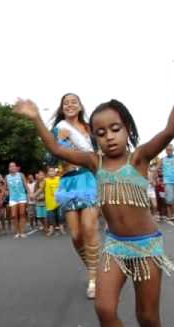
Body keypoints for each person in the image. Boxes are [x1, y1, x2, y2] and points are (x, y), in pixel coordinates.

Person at [14, 59, 174, 327]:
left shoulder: (140, 158)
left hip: (146, 249)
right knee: (104, 308)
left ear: (126, 129)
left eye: (115, 129)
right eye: (101, 132)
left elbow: (171, 129)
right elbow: (55, 149)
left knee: (148, 317)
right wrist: (36, 117)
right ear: (94, 137)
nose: (109, 136)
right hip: (115, 247)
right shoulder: (94, 162)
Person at [51, 93, 100, 299]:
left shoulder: (90, 129)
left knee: (89, 228)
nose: (70, 105)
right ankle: (92, 266)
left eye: (74, 102)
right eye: (66, 103)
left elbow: (99, 153)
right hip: (68, 182)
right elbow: (50, 158)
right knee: (76, 235)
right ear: (62, 109)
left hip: (88, 179)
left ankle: (94, 278)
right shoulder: (59, 128)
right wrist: (59, 142)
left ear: (80, 106)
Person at [5, 162, 30, 238]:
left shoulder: (21, 175)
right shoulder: (7, 177)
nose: (12, 167)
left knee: (22, 214)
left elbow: (25, 185)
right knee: (14, 215)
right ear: (9, 168)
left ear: (16, 167)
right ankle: (17, 232)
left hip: (22, 196)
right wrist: (4, 195)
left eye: (13, 166)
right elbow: (5, 188)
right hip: (13, 198)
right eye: (10, 166)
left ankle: (22, 232)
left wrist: (29, 194)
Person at [44, 166, 65, 236]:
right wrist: (34, 195)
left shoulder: (59, 179)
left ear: (55, 172)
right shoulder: (45, 180)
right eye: (50, 171)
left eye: (53, 171)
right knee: (51, 217)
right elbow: (41, 189)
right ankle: (51, 230)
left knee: (60, 216)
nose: (52, 172)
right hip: (50, 203)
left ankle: (61, 229)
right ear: (47, 173)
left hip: (59, 202)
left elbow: (64, 188)